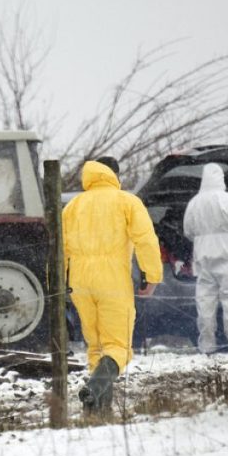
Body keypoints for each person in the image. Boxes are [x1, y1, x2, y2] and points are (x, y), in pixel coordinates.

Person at [63, 160, 162, 414]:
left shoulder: (72, 206)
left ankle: (98, 411)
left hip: (79, 282)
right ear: (114, 175)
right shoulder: (126, 201)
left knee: (96, 346)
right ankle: (94, 388)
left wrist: (57, 283)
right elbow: (146, 240)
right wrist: (151, 276)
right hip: (112, 280)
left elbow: (59, 248)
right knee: (119, 348)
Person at [182, 163, 228, 353]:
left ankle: (207, 345)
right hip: (227, 252)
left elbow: (188, 231)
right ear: (221, 178)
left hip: (203, 253)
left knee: (205, 302)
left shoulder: (194, 203)